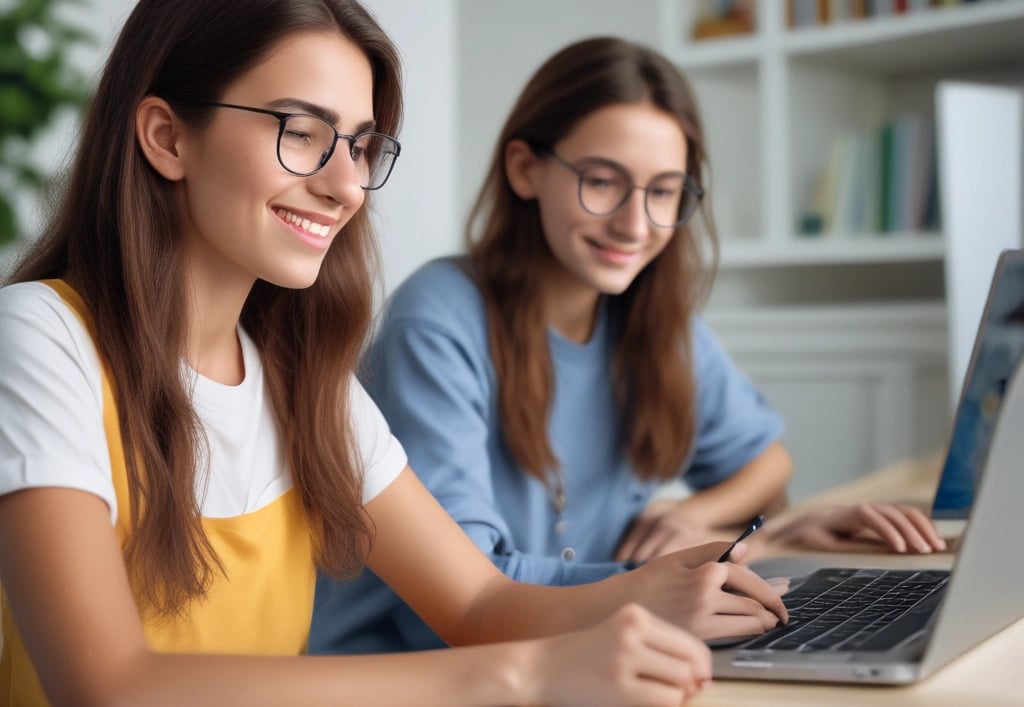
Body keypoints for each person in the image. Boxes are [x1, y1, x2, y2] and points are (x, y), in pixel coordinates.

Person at [0, 3, 798, 705]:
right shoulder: (39, 337)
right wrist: (524, 677)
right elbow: (107, 685)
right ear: (168, 137)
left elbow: (480, 602)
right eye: (304, 134)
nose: (347, 185)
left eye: (360, 146)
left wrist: (663, 586)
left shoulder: (304, 383)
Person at [310, 35, 946, 655]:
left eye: (664, 191)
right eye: (603, 181)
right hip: (427, 667)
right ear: (525, 169)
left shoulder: (648, 320)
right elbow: (466, 604)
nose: (636, 225)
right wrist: (662, 583)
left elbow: (767, 462)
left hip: (572, 644)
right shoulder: (439, 319)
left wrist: (725, 525)